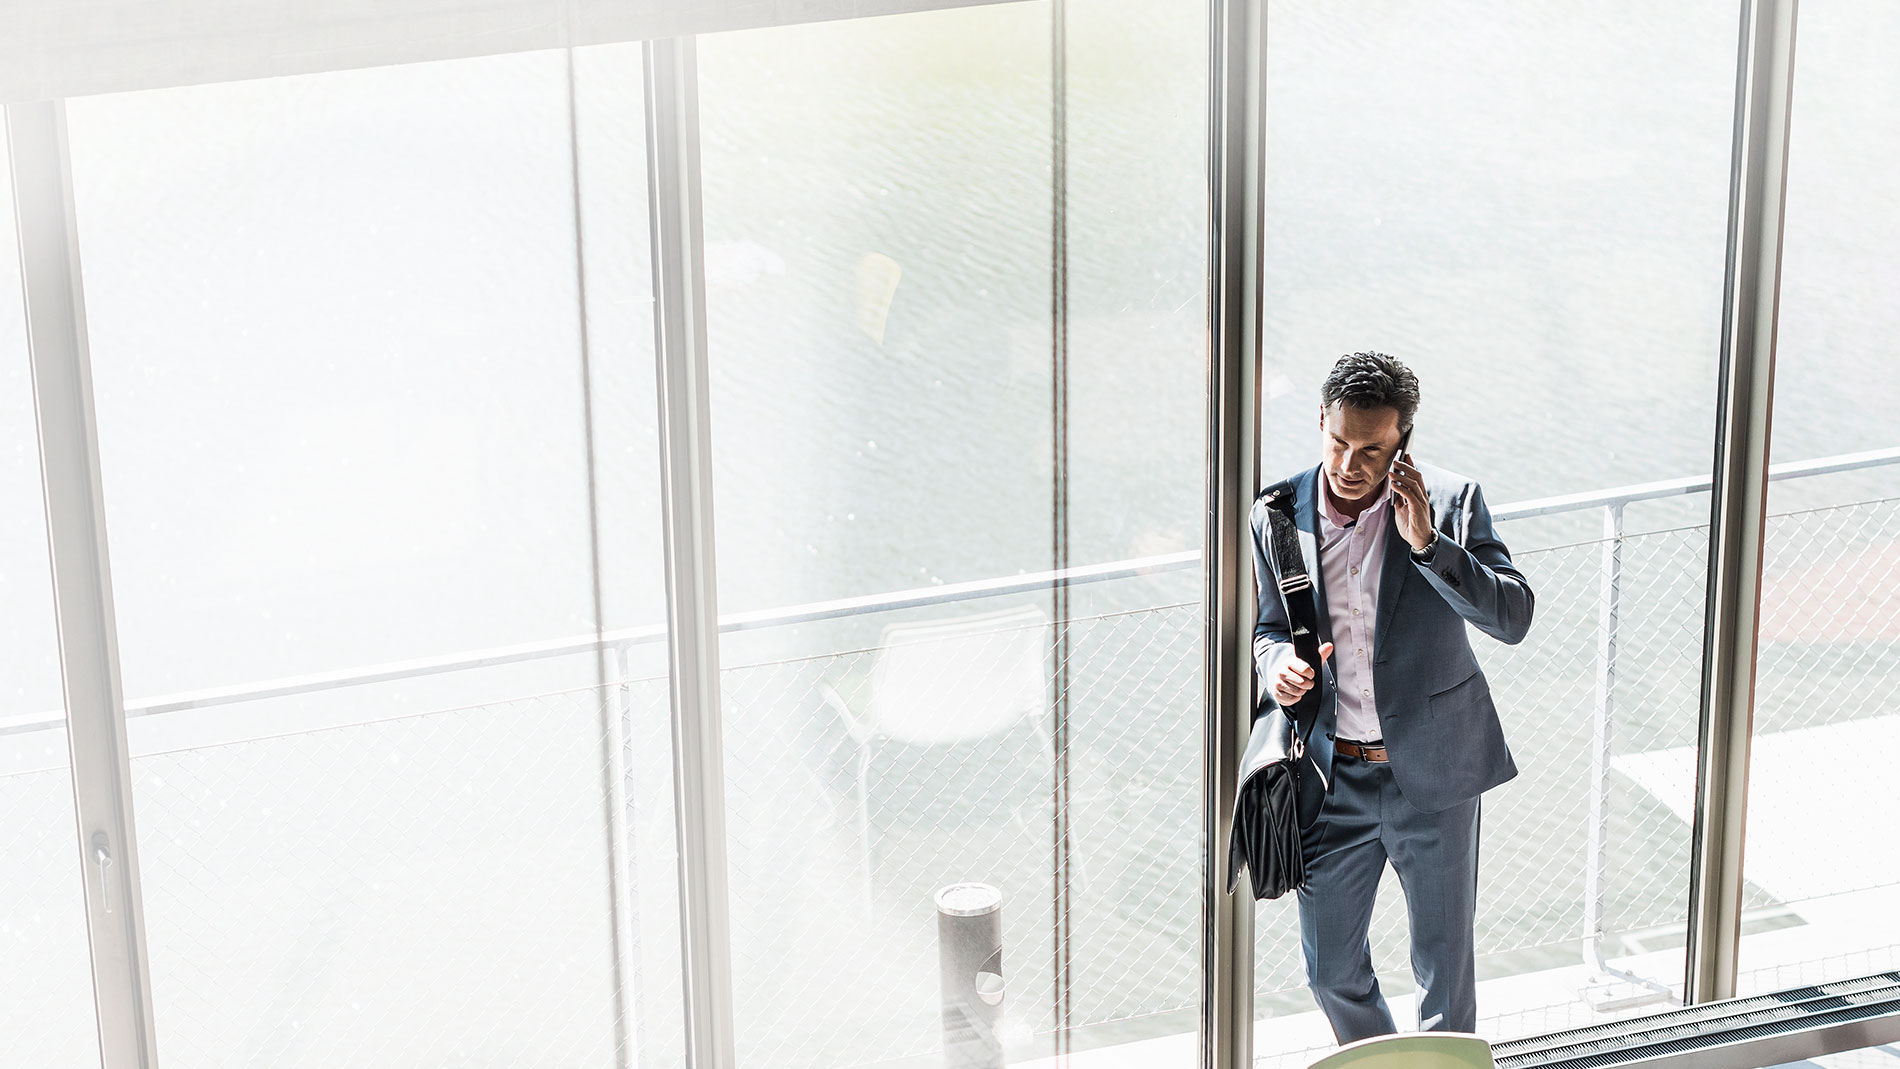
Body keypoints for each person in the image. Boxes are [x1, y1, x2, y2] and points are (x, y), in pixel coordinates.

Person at [1250, 351, 1534, 1042]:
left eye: (1371, 449)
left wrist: (1429, 543)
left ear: (1402, 441)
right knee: (1330, 970)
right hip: (1329, 777)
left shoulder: (1452, 499)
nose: (1349, 463)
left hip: (1433, 777)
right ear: (1320, 420)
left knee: (1444, 969)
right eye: (1338, 441)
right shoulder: (1277, 513)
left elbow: (1513, 617)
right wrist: (1276, 665)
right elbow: (1266, 627)